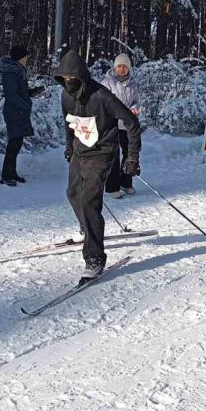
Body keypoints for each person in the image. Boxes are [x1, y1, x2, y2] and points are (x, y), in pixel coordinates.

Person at [55, 50, 141, 278]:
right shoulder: (66, 96)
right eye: (64, 79)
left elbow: (131, 123)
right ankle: (87, 227)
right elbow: (68, 123)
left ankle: (94, 259)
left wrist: (132, 157)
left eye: (72, 78)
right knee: (73, 193)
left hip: (102, 152)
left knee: (90, 202)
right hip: (80, 150)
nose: (68, 83)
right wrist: (69, 146)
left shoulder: (102, 96)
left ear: (82, 76)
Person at [0, 45, 44, 186]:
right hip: (14, 113)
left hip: (18, 112)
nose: (27, 58)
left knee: (16, 144)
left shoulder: (17, 71)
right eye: (25, 56)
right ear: (19, 57)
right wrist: (26, 105)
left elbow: (20, 92)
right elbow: (11, 95)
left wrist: (33, 92)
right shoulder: (11, 73)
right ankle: (6, 176)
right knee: (14, 144)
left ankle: (11, 173)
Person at [101, 53, 141, 198]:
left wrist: (135, 108)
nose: (122, 69)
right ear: (114, 67)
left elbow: (136, 101)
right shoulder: (107, 83)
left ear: (129, 68)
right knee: (113, 155)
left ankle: (126, 182)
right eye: (119, 66)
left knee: (129, 153)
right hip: (111, 125)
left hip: (128, 125)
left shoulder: (132, 83)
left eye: (124, 66)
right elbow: (101, 103)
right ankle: (112, 187)